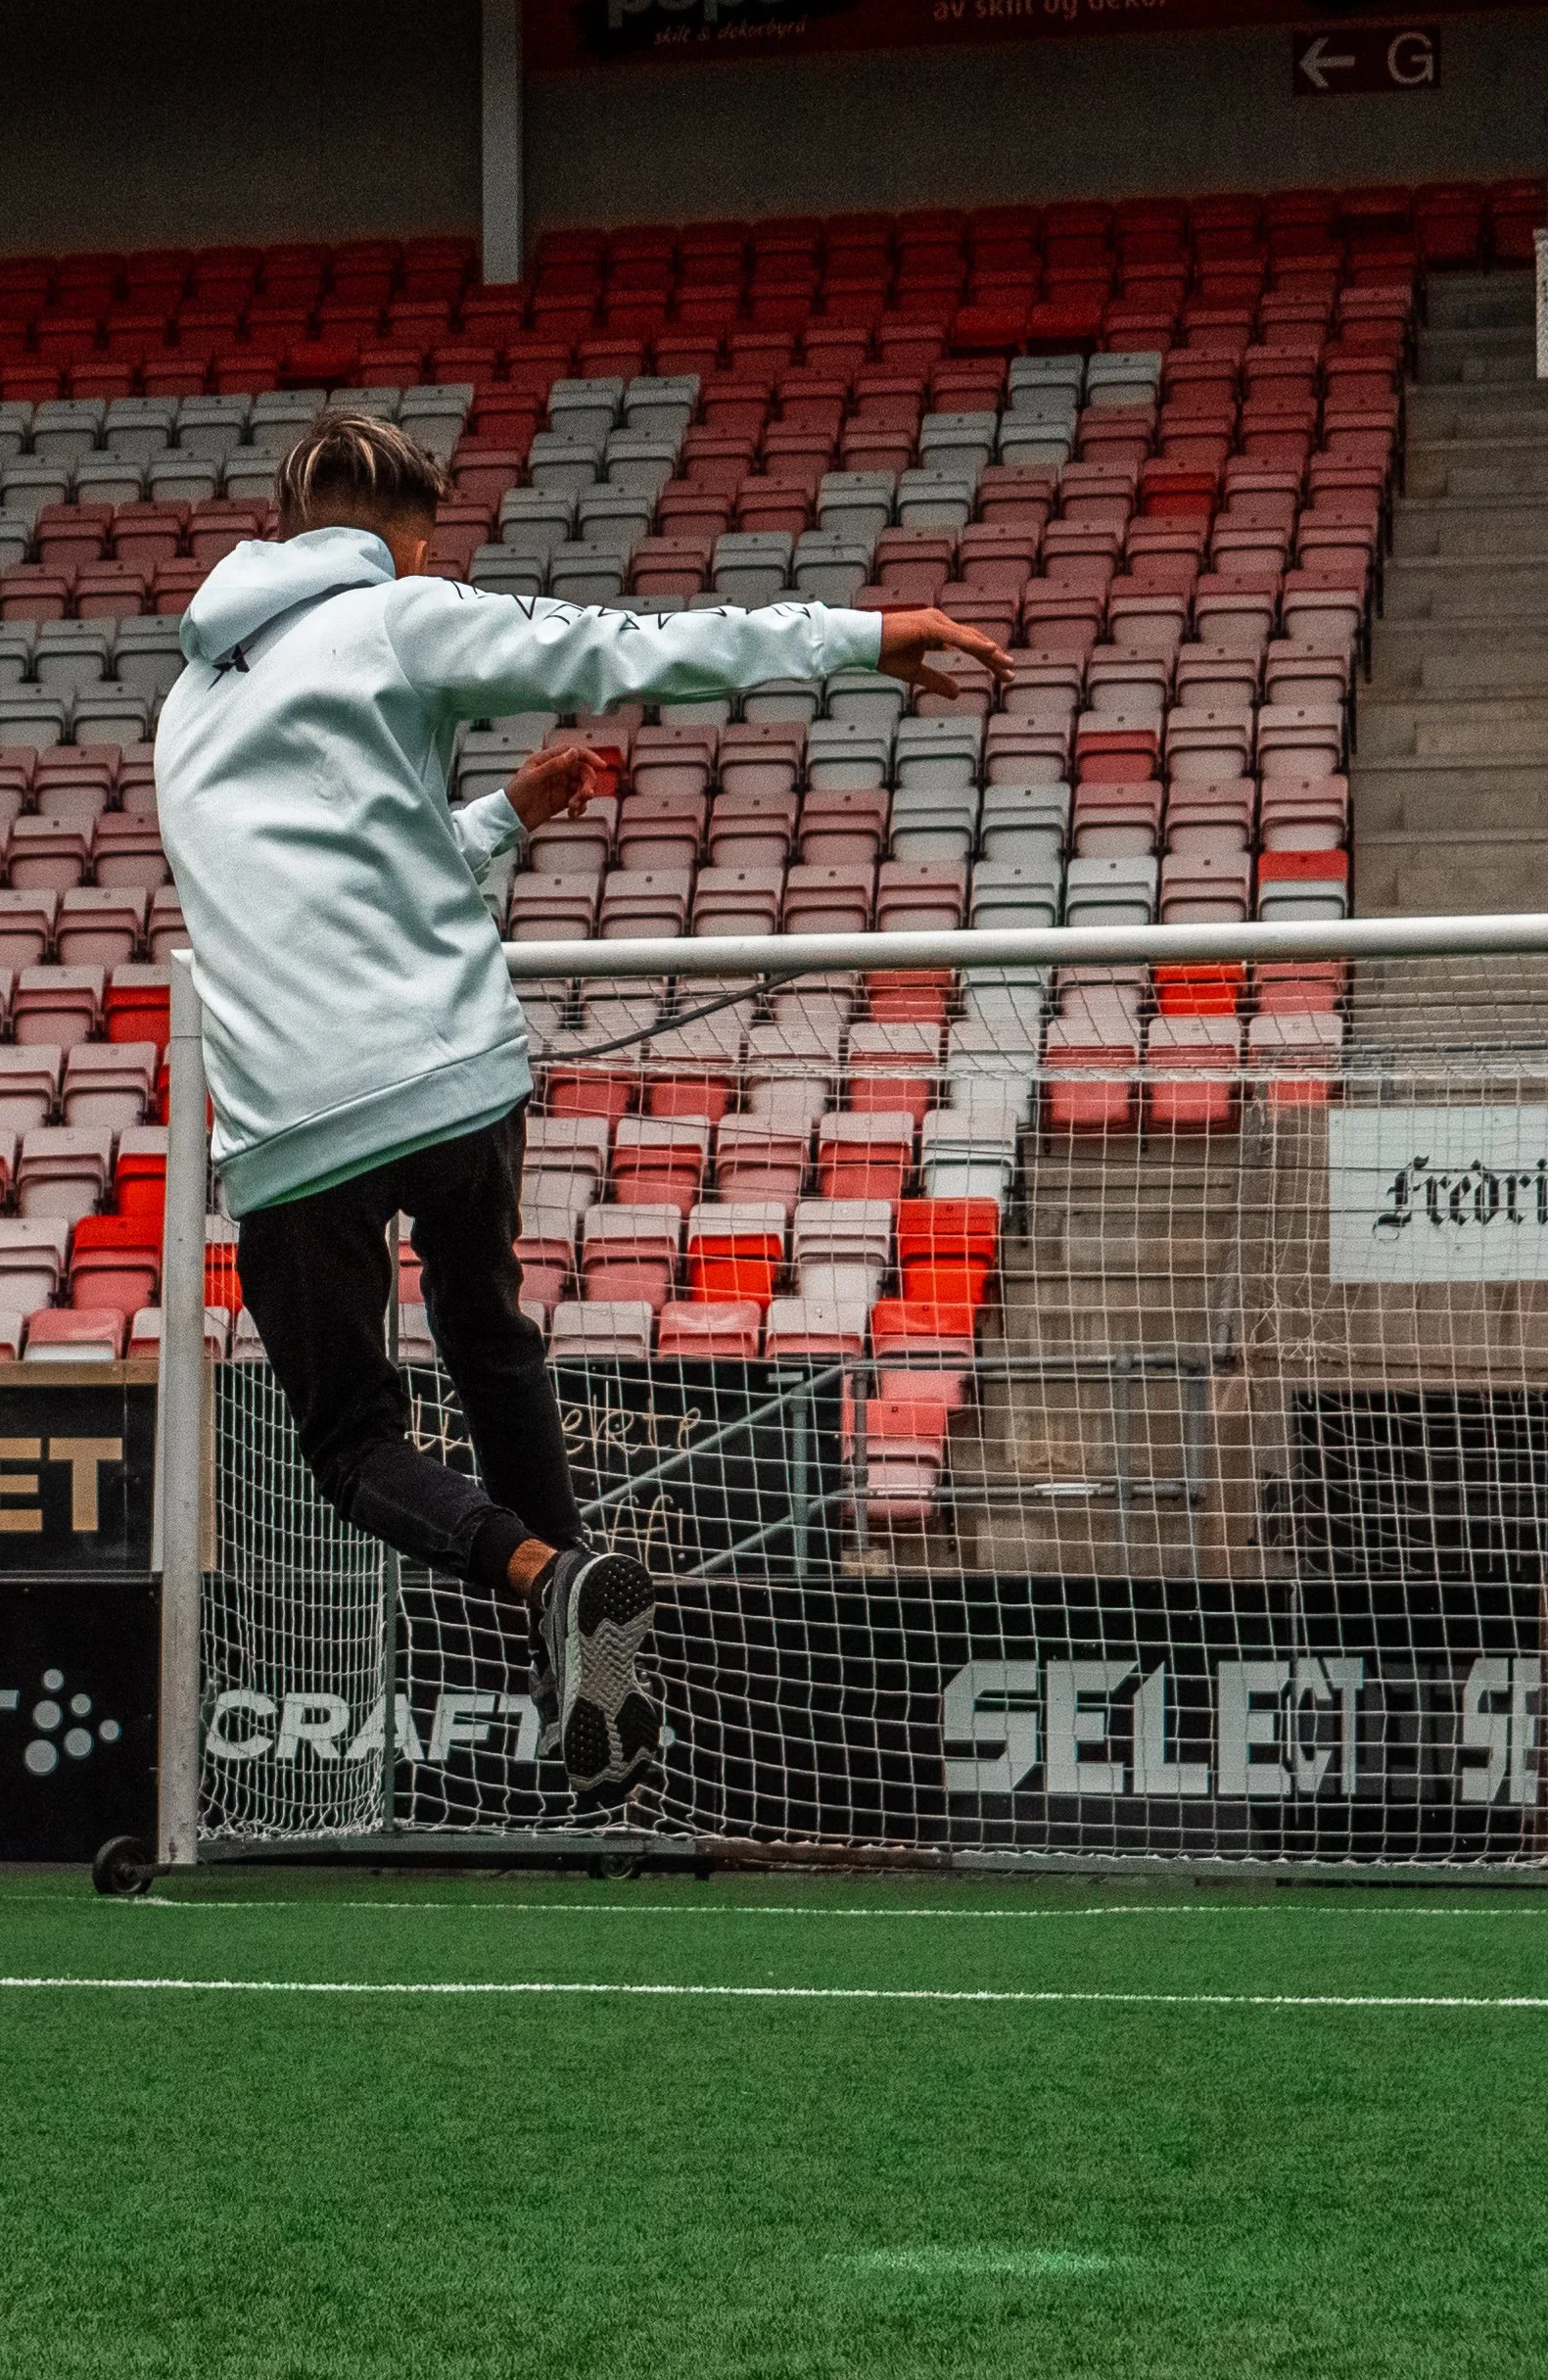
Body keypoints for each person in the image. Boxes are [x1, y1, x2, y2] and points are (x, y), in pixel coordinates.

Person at [156, 415, 1011, 1800]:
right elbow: (627, 648)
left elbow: (328, 871)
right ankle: (577, 1632)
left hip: (294, 1116)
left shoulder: (191, 698)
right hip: (453, 1077)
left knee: (352, 1442)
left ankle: (554, 1597)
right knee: (488, 1337)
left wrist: (499, 816)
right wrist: (861, 634)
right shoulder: (397, 613)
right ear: (403, 537)